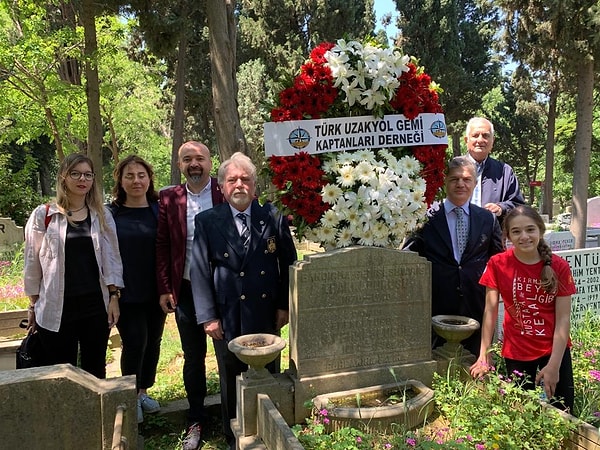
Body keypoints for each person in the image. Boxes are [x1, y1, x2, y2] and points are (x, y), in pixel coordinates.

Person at [190, 152, 297, 448]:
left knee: (268, 371)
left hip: (265, 310)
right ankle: (233, 435)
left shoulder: (271, 216)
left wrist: (284, 305)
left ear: (254, 184)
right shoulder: (208, 221)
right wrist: (208, 317)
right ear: (222, 186)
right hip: (227, 314)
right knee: (230, 375)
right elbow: (199, 271)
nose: (239, 184)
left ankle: (271, 428)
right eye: (232, 179)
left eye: (245, 179)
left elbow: (289, 262)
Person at [23, 153, 123, 379]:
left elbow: (112, 259)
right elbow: (32, 261)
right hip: (56, 306)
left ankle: (96, 415)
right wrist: (32, 305)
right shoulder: (44, 215)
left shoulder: (101, 215)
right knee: (60, 372)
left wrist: (114, 296)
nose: (82, 179)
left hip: (95, 306)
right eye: (75, 173)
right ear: (63, 177)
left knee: (95, 369)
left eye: (88, 174)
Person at [470, 205, 576, 412]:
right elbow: (490, 311)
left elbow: (563, 320)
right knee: (520, 410)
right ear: (507, 235)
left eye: (530, 230)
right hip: (517, 350)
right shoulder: (498, 264)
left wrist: (554, 366)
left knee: (563, 412)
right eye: (516, 231)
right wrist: (484, 354)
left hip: (554, 350)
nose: (524, 237)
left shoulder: (559, 267)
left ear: (540, 231)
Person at [156, 141, 224, 449]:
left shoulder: (225, 192)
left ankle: (233, 414)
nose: (194, 164)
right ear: (180, 165)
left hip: (225, 289)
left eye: (199, 158)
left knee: (229, 355)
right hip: (185, 290)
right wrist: (165, 287)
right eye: (187, 159)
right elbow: (162, 245)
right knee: (193, 357)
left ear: (210, 162)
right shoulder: (169, 198)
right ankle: (196, 418)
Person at [403, 156, 503, 356]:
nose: (460, 184)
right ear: (445, 181)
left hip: (475, 302)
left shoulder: (488, 219)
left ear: (475, 183)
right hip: (436, 303)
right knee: (436, 360)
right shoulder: (426, 218)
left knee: (474, 362)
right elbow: (408, 258)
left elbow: (499, 260)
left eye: (466, 179)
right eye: (454, 179)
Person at [108, 155, 165, 423]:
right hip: (126, 292)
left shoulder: (159, 210)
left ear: (149, 178)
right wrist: (112, 294)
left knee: (153, 341)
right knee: (135, 342)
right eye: (129, 176)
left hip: (156, 292)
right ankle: (129, 396)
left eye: (141, 175)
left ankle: (143, 391)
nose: (136, 181)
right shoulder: (111, 214)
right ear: (120, 180)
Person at [464, 117, 525, 221]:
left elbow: (518, 205)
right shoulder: (453, 169)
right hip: (458, 232)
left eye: (485, 136)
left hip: (493, 235)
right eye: (475, 135)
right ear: (466, 140)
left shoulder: (505, 172)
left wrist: (501, 208)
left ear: (492, 141)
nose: (480, 140)